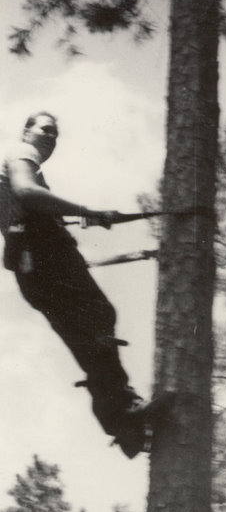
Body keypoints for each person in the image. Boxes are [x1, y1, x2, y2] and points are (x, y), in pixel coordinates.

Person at [0, 110, 150, 457]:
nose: (51, 137)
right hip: (44, 255)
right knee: (99, 318)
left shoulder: (15, 164)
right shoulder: (20, 152)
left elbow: (23, 206)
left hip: (32, 266)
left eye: (56, 134)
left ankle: (123, 422)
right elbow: (26, 192)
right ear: (26, 132)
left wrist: (77, 218)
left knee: (88, 336)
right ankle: (122, 410)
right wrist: (88, 211)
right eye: (46, 130)